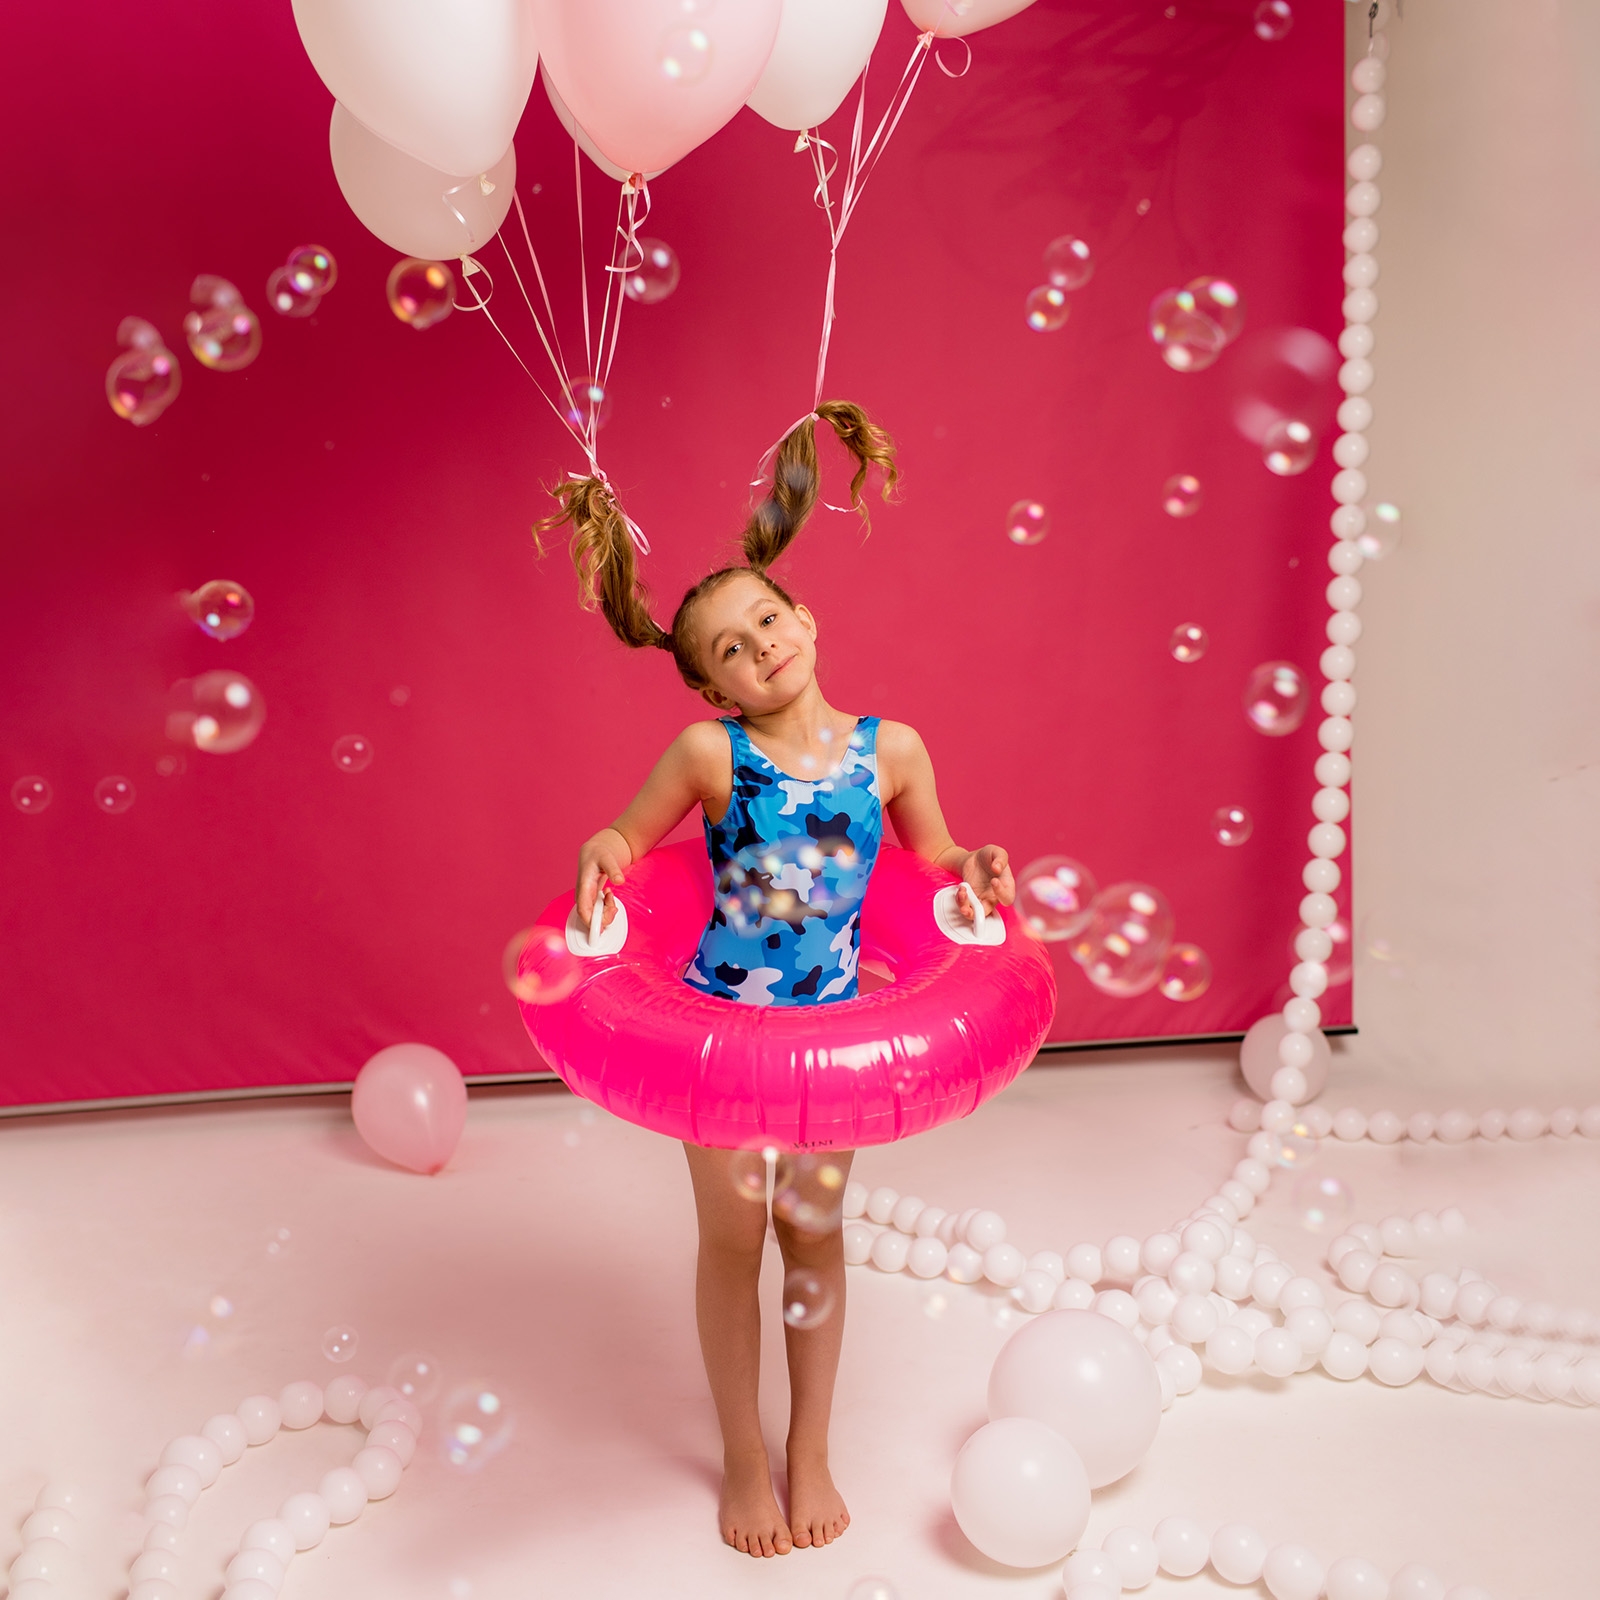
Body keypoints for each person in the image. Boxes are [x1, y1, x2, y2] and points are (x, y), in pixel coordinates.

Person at [540, 401, 1016, 1557]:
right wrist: (601, 848)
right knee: (733, 1242)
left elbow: (934, 860)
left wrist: (974, 867)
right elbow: (624, 838)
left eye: (766, 619)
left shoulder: (891, 750)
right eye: (729, 649)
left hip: (829, 1040)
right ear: (716, 688)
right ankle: (744, 1461)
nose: (759, 647)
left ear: (805, 617)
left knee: (812, 1240)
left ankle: (810, 1446)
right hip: (716, 1038)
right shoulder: (713, 754)